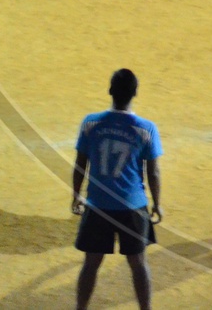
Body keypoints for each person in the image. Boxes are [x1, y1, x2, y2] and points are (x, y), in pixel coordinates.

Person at [72, 68, 162, 310]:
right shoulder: (147, 129)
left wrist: (76, 194)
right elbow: (153, 172)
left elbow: (80, 164)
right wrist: (158, 203)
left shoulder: (90, 124)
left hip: (98, 205)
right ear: (135, 93)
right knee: (139, 264)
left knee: (91, 263)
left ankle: (80, 308)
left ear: (110, 91)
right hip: (133, 207)